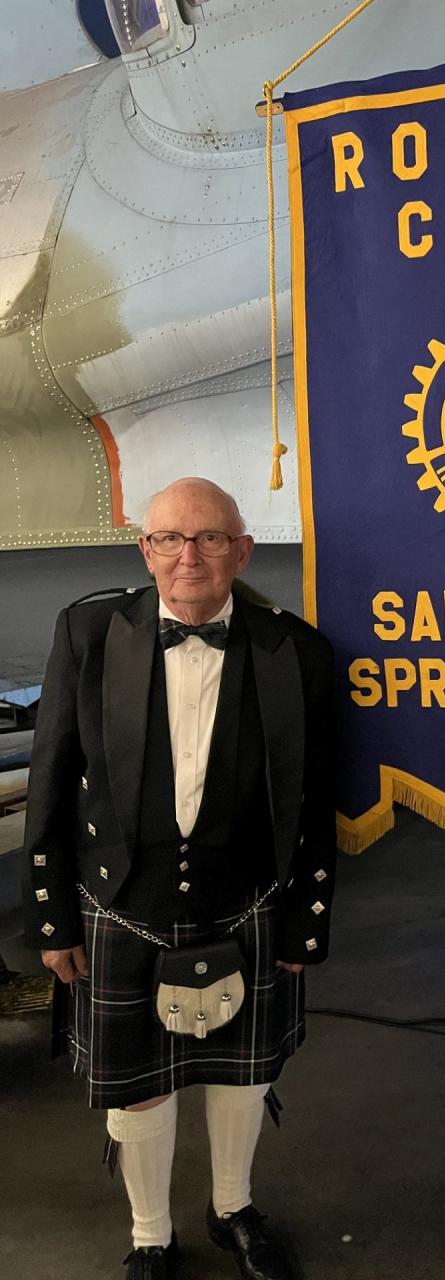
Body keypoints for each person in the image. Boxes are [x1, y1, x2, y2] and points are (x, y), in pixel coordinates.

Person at [22, 478, 336, 1280]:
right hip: (123, 904)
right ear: (146, 549)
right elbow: (52, 784)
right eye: (169, 539)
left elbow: (314, 800)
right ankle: (149, 1235)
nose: (187, 556)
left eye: (208, 538)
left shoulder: (291, 648)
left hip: (250, 900)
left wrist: (305, 920)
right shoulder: (90, 634)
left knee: (244, 1075)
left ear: (241, 549)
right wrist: (54, 920)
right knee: (141, 1091)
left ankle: (233, 1208)